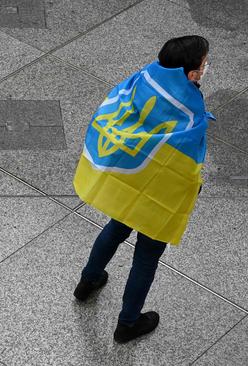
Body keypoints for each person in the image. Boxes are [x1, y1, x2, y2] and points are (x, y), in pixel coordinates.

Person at [72, 35, 213, 344]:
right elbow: (189, 162)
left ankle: (88, 281)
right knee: (146, 256)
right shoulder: (190, 109)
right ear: (190, 74)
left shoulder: (144, 79)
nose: (205, 70)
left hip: (128, 180)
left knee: (116, 227)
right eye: (203, 65)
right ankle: (128, 323)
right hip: (158, 193)